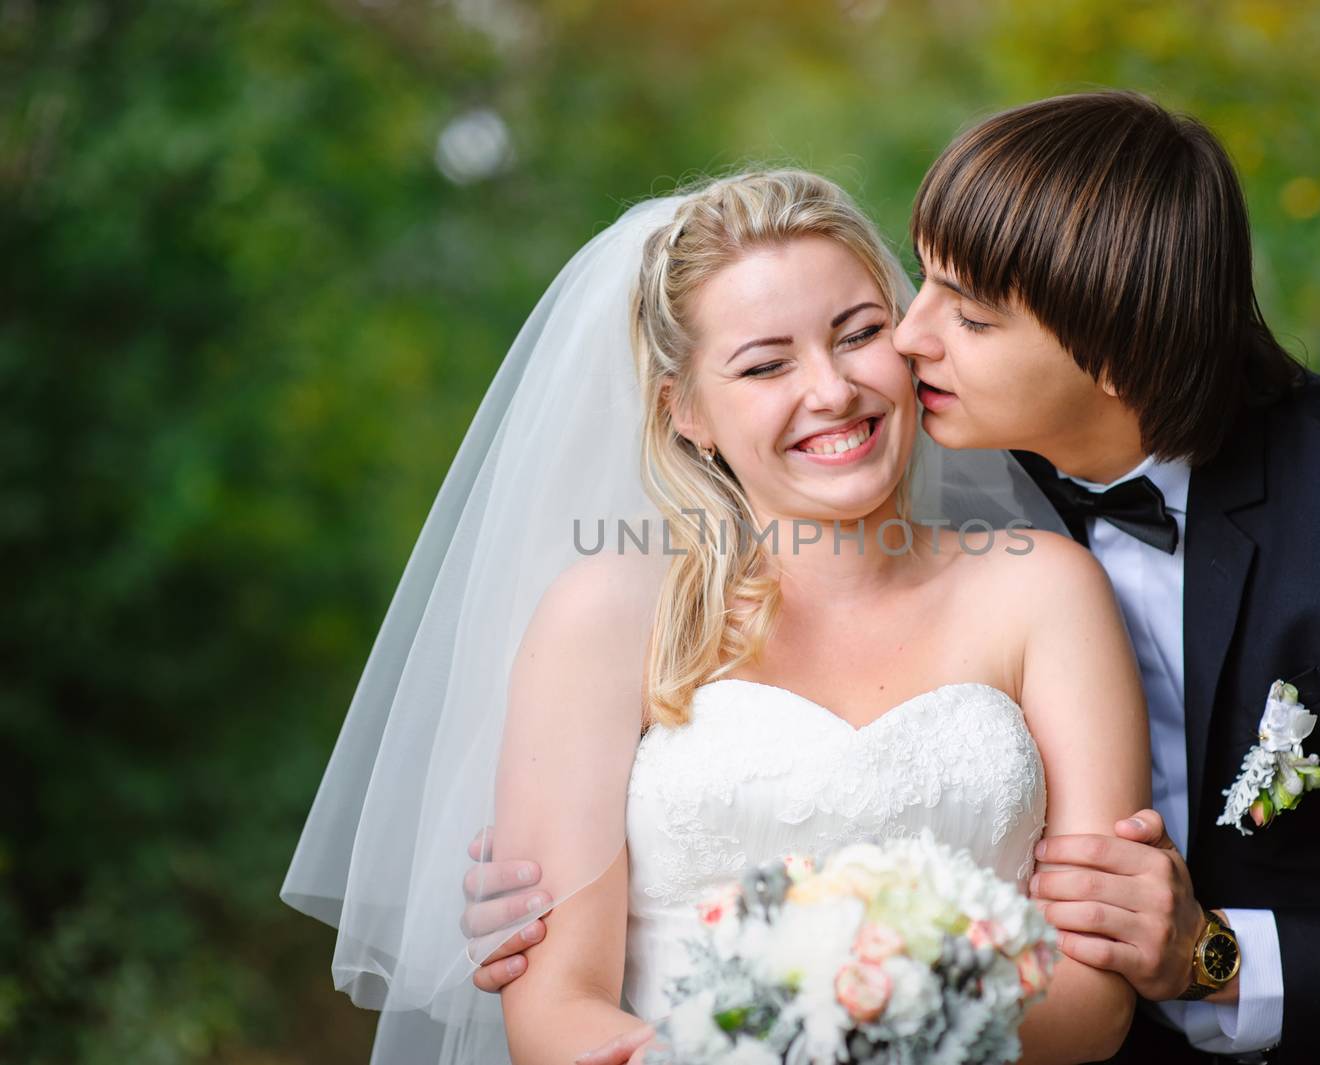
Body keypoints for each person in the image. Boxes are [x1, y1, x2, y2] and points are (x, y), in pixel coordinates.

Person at [476, 94, 1320, 1063]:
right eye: (913, 293)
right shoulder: (981, 465)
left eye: (960, 315)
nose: (903, 349)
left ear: (1112, 345)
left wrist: (1211, 955)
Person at [285, 169, 1154, 1065]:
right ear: (686, 409)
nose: (831, 390)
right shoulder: (606, 618)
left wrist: (884, 1040)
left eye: (858, 336)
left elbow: (1094, 994)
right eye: (767, 364)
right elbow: (555, 1009)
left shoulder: (1045, 590)